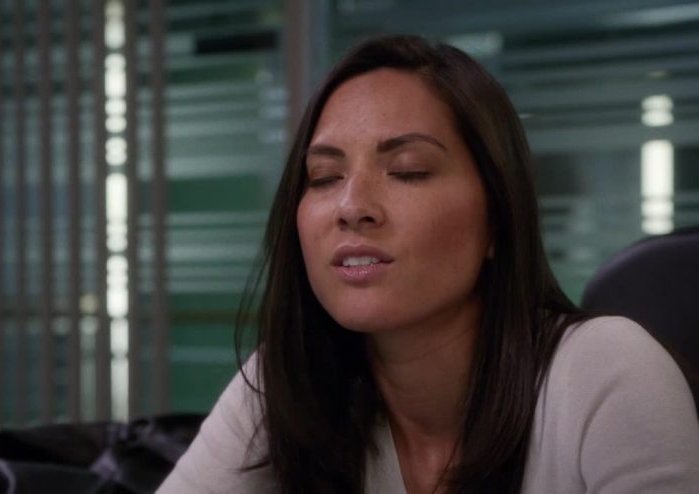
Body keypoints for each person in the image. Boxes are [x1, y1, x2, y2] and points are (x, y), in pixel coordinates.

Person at [158, 35, 699, 493]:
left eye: (409, 171)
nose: (351, 206)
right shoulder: (290, 379)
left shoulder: (606, 371)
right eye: (324, 178)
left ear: (497, 217)